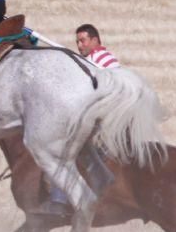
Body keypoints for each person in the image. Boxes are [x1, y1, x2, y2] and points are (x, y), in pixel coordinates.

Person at [38, 24, 121, 216]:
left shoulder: (103, 60)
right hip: (100, 120)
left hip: (105, 123)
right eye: (77, 42)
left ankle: (59, 202)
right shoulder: (92, 60)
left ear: (95, 40)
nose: (79, 45)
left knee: (65, 155)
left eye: (83, 40)